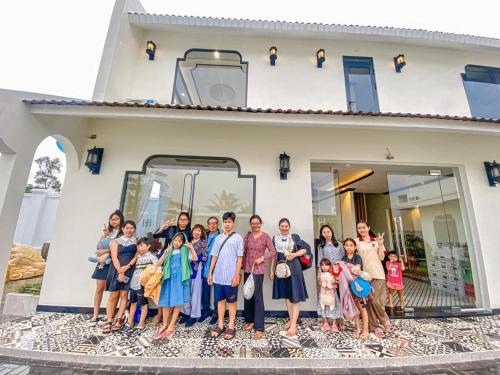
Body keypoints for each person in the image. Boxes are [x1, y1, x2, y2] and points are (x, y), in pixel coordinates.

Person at [272, 218, 311, 337]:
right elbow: (274, 255)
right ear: (279, 227)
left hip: (294, 268)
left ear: (289, 227)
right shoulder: (274, 238)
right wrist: (272, 270)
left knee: (295, 295)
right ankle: (291, 319)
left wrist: (294, 254)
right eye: (282, 226)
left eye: (286, 226)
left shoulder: (294, 237)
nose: (284, 228)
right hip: (281, 269)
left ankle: (294, 324)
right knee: (287, 295)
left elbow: (305, 249)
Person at [207, 212, 244, 341]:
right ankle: (221, 325)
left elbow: (239, 259)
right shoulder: (218, 238)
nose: (227, 224)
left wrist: (236, 276)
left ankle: (231, 326)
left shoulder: (238, 238)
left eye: (230, 222)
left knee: (232, 302)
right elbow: (214, 256)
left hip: (231, 277)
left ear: (233, 223)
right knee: (220, 301)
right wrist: (210, 273)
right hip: (218, 276)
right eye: (225, 222)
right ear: (223, 223)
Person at [156, 232, 198, 339]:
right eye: (175, 240)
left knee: (177, 302)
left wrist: (191, 248)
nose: (177, 243)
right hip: (168, 279)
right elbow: (158, 264)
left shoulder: (184, 251)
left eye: (180, 241)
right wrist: (165, 254)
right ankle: (165, 324)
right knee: (166, 302)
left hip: (179, 279)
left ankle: (172, 324)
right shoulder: (168, 250)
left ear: (183, 242)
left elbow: (195, 259)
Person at [153, 211, 192, 324]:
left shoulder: (188, 233)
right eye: (181, 219)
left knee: (174, 291)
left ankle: (169, 318)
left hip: (178, 263)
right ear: (178, 220)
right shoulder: (171, 229)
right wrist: (163, 226)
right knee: (164, 290)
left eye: (185, 220)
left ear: (188, 221)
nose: (183, 222)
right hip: (166, 259)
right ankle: (159, 315)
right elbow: (156, 236)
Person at [242, 214, 276, 340]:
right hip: (247, 269)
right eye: (253, 223)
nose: (255, 225)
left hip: (258, 271)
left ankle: (259, 327)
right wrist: (240, 268)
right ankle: (250, 321)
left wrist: (262, 258)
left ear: (261, 224)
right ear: (250, 224)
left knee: (257, 297)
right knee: (247, 295)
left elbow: (273, 252)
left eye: (257, 223)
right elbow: (244, 252)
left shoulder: (266, 237)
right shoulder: (248, 236)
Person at [355, 220, 391, 338]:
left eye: (363, 227)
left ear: (368, 228)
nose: (362, 230)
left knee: (376, 301)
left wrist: (380, 244)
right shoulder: (356, 242)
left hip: (378, 274)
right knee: (368, 302)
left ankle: (384, 319)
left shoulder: (376, 241)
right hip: (364, 276)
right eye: (359, 228)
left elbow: (381, 257)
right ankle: (374, 327)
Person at [102, 220, 138, 334]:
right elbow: (114, 257)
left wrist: (126, 267)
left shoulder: (136, 241)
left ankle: (118, 318)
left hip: (129, 270)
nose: (129, 230)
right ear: (123, 229)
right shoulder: (115, 241)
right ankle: (108, 320)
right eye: (127, 228)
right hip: (116, 270)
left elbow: (136, 256)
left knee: (124, 294)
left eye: (132, 228)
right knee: (113, 295)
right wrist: (120, 271)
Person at [90, 210, 124, 325]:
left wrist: (106, 250)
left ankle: (109, 315)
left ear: (121, 220)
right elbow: (98, 247)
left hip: (114, 264)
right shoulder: (107, 232)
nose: (114, 221)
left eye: (116, 219)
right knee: (99, 289)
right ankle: (95, 314)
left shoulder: (123, 233)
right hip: (103, 263)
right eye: (112, 219)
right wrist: (103, 236)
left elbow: (121, 248)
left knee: (113, 291)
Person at [126, 236, 157, 330]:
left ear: (148, 246)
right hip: (133, 283)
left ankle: (141, 323)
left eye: (142, 245)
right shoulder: (138, 257)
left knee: (143, 304)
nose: (139, 248)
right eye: (138, 246)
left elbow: (156, 269)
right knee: (133, 303)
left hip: (142, 285)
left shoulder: (152, 257)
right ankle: (129, 322)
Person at [342, 238, 369, 340]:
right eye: (347, 245)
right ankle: (357, 329)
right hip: (349, 287)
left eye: (351, 245)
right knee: (355, 308)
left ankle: (365, 330)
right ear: (344, 247)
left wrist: (348, 268)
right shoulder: (343, 258)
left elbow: (356, 270)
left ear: (355, 247)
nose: (349, 247)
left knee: (363, 308)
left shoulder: (357, 257)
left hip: (359, 287)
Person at [184, 224, 208, 327]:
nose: (197, 232)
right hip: (186, 270)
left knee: (195, 294)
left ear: (202, 233)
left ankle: (193, 316)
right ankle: (186, 313)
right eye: (195, 230)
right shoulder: (187, 242)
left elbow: (204, 257)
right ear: (192, 231)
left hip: (196, 271)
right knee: (186, 292)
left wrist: (192, 251)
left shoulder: (203, 243)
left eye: (199, 230)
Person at [201, 216, 221, 325]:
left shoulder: (221, 236)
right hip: (205, 268)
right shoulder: (205, 236)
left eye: (214, 223)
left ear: (218, 225)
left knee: (217, 293)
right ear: (208, 225)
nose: (212, 225)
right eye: (210, 223)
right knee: (205, 292)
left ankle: (216, 314)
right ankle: (206, 312)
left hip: (217, 268)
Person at [317, 258, 341, 332]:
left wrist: (331, 286)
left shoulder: (333, 273)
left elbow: (337, 285)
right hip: (323, 294)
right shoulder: (320, 273)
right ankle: (325, 322)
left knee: (334, 307)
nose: (324, 267)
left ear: (330, 266)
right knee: (323, 307)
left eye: (326, 265)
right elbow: (319, 283)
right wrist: (323, 284)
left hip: (332, 294)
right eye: (322, 265)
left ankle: (334, 323)